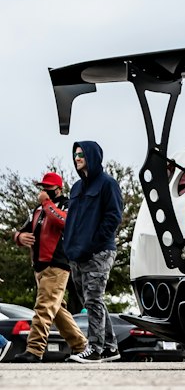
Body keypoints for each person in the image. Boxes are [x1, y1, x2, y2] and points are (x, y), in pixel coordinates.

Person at [12, 170, 88, 364]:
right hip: (39, 267)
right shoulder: (37, 210)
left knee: (44, 307)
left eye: (48, 188)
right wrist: (19, 238)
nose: (44, 191)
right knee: (58, 312)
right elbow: (21, 231)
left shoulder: (68, 205)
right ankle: (82, 346)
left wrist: (47, 203)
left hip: (57, 265)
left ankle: (35, 350)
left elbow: (63, 222)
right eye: (42, 187)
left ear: (58, 189)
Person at [62, 141, 124, 365]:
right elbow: (72, 220)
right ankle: (109, 347)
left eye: (81, 154)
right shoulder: (76, 188)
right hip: (76, 253)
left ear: (93, 156)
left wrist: (95, 243)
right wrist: (69, 245)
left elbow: (114, 216)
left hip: (99, 252)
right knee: (91, 300)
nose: (77, 158)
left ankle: (95, 348)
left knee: (94, 298)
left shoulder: (108, 184)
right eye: (75, 154)